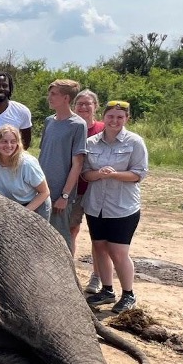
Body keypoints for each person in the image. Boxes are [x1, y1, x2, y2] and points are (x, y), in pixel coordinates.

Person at [83, 101, 149, 314]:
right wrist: (99, 174)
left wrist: (113, 175)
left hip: (123, 207)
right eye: (111, 116)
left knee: (118, 252)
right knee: (100, 248)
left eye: (120, 117)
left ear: (127, 119)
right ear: (104, 116)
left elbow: (139, 174)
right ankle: (107, 290)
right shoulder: (92, 142)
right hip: (95, 207)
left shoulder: (135, 142)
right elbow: (85, 174)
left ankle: (128, 294)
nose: (114, 121)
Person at [38, 78, 87, 252]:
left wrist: (65, 196)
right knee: (39, 236)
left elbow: (78, 164)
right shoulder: (48, 121)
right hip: (41, 190)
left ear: (66, 98)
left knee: (60, 240)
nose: (49, 97)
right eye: (49, 93)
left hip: (60, 194)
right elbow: (43, 153)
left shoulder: (78, 125)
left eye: (54, 94)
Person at [71, 89, 107, 293]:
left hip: (97, 189)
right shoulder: (71, 127)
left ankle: (97, 277)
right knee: (71, 231)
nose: (84, 107)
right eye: (80, 104)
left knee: (98, 237)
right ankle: (70, 272)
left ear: (96, 106)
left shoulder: (103, 129)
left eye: (88, 103)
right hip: (74, 189)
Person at [0, 124, 51, 219]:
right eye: (4, 141)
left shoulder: (27, 164)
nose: (9, 145)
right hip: (8, 207)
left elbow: (44, 192)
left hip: (34, 205)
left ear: (18, 143)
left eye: (13, 142)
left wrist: (22, 214)